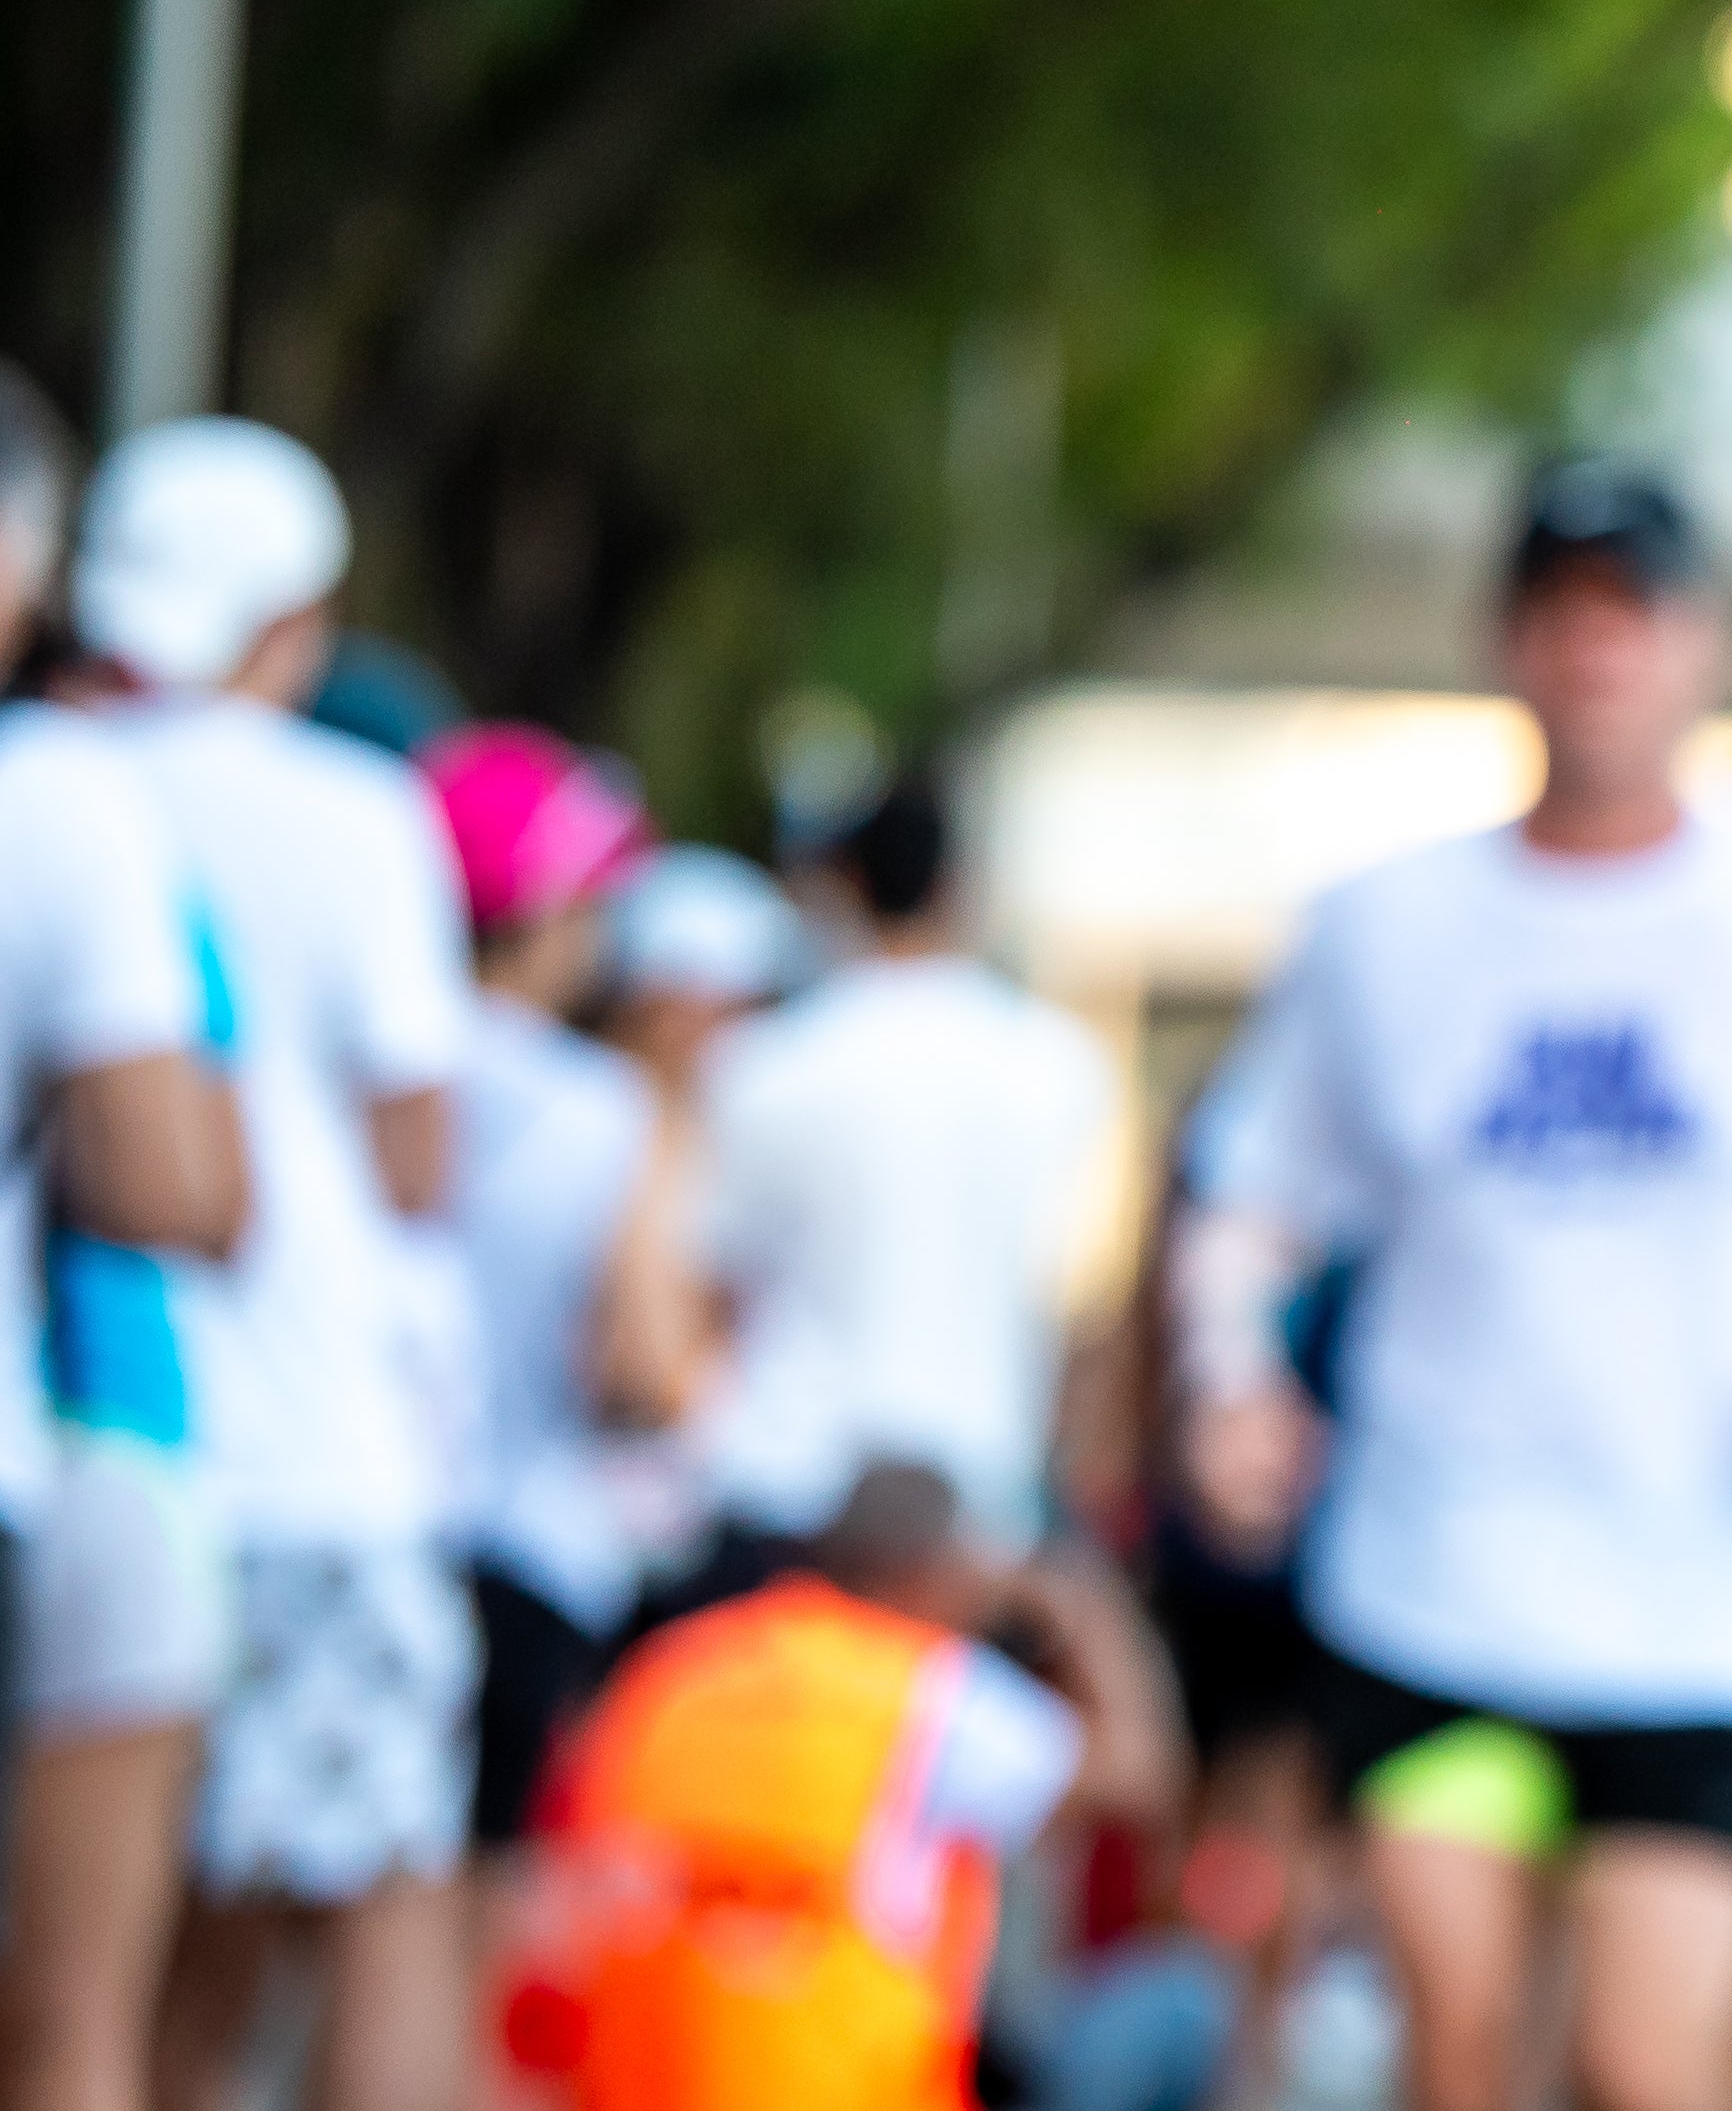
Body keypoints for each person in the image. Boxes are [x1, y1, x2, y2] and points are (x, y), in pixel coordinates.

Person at [1171, 456, 1732, 2111]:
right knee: (1458, 2045)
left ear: (1709, 641)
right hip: (1435, 1587)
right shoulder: (1386, 922)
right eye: (1558, 608)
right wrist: (1226, 1378)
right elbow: (1248, 1197)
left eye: (1634, 607)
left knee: (1646, 2062)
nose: (1597, 645)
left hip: (1699, 1605)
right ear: (1504, 641)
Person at [67, 423, 480, 2111]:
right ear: (293, 618)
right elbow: (416, 1157)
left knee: (112, 1982)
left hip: (88, 1447)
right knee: (382, 1903)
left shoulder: (45, 781)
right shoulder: (357, 813)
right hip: (315, 1447)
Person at [0, 378, 256, 2111]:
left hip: (99, 1449)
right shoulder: (71, 804)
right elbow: (182, 1181)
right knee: (75, 2017)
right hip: (114, 1437)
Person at [497, 1460, 1178, 2111]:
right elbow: (1140, 1776)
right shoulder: (930, 1691)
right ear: (937, 1572)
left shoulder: (673, 1667)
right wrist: (1080, 1608)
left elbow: (550, 1920)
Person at [688, 767, 1115, 1568]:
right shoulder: (1057, 1063)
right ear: (959, 888)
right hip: (977, 1497)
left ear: (845, 886)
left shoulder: (760, 1065)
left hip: (789, 1484)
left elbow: (714, 1290)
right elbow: (1083, 1297)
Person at [419, 728, 682, 1881]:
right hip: (532, 1546)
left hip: (379, 1519)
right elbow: (646, 1368)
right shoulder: (604, 1107)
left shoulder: (377, 1061)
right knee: (472, 1917)